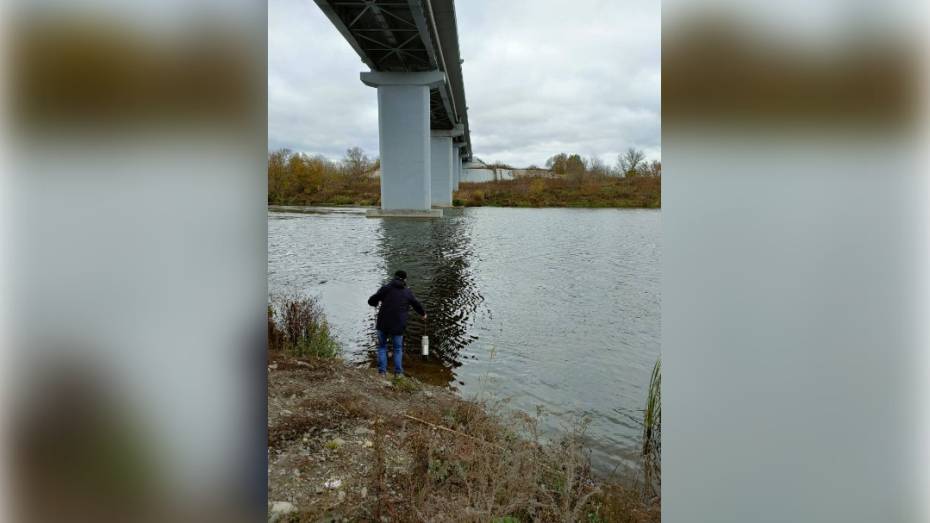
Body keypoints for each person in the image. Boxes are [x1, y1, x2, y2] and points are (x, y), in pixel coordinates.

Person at [367, 270, 426, 376]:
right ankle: (398, 373)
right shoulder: (407, 292)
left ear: (394, 277)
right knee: (398, 349)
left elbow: (371, 301)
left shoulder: (385, 288)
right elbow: (416, 304)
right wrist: (423, 314)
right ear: (405, 279)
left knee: (382, 347)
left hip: (383, 323)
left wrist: (376, 303)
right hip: (398, 325)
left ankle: (382, 373)